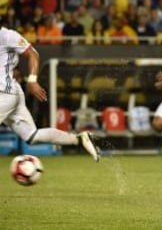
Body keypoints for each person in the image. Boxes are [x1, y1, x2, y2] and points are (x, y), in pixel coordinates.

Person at [0, 25, 100, 162]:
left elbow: (33, 54)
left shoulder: (7, 35)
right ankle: (79, 139)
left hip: (5, 93)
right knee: (32, 136)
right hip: (11, 92)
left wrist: (32, 80)